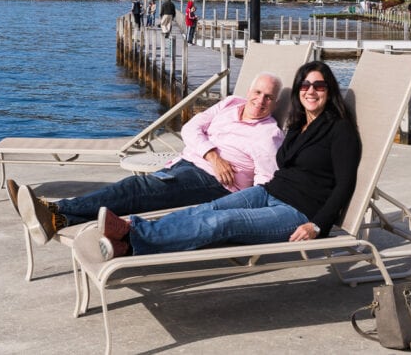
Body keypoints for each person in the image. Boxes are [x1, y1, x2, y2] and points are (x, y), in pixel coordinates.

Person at [95, 60, 360, 260]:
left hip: (298, 211)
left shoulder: (340, 130)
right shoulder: (299, 125)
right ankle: (129, 239)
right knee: (206, 210)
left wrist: (317, 225)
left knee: (224, 222)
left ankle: (131, 237)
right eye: (305, 85)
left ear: (329, 90)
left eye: (319, 85)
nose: (311, 91)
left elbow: (345, 185)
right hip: (268, 192)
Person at [13, 72, 286, 245]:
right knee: (137, 193)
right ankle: (57, 220)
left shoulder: (268, 135)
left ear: (274, 103)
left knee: (137, 189)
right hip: (190, 165)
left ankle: (56, 210)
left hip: (216, 185)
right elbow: (190, 128)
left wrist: (248, 214)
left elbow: (265, 182)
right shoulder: (230, 103)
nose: (260, 100)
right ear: (249, 92)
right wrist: (212, 155)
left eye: (269, 97)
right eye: (257, 93)